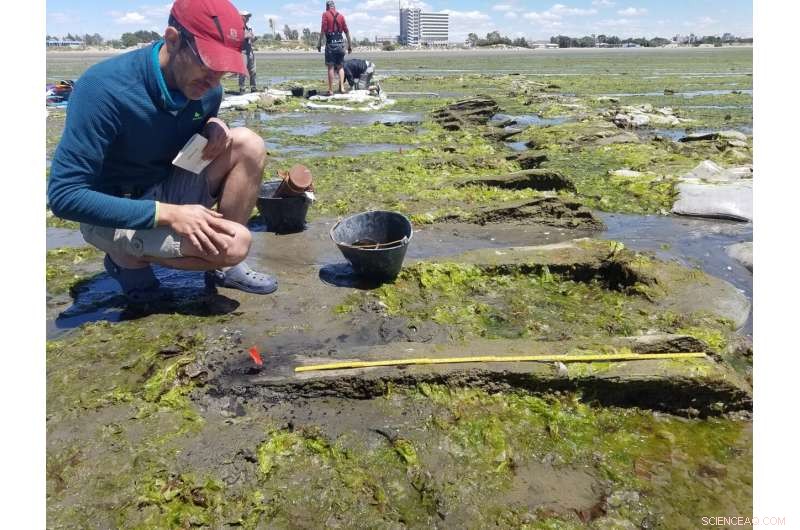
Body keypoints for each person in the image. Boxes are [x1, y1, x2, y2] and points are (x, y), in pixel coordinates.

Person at [47, 0, 278, 302]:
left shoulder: (209, 90)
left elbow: (178, 134)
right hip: (114, 209)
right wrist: (168, 214)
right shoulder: (102, 89)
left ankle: (222, 267)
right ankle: (124, 260)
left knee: (248, 143)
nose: (214, 82)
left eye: (223, 72)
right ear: (173, 39)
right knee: (235, 245)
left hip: (165, 185)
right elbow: (64, 196)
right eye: (208, 64)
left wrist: (211, 125)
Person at [316, 0, 351, 95]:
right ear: (334, 7)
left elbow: (323, 30)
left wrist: (319, 43)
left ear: (327, 7)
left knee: (331, 67)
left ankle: (331, 90)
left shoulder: (325, 14)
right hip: (341, 44)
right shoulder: (341, 16)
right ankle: (342, 88)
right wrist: (350, 46)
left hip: (331, 45)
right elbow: (346, 32)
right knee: (340, 67)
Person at [238, 10, 258, 93]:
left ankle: (253, 87)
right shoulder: (237, 27)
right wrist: (246, 36)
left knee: (253, 70)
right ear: (241, 17)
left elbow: (251, 40)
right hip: (242, 52)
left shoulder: (249, 27)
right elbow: (236, 37)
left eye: (248, 16)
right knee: (242, 71)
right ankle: (242, 88)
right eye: (246, 16)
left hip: (250, 51)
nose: (248, 18)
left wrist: (254, 38)